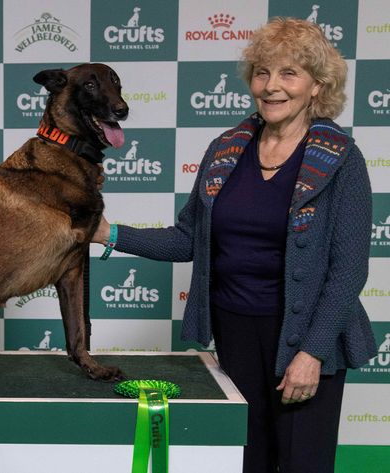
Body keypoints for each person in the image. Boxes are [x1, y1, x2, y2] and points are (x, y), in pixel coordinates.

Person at [93, 18, 376, 473]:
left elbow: (347, 270)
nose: (271, 86)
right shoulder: (226, 148)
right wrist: (111, 234)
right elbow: (189, 238)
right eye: (262, 73)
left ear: (317, 87)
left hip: (305, 336)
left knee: (304, 462)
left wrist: (312, 353)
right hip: (236, 332)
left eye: (289, 74)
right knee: (246, 460)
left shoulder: (341, 157)